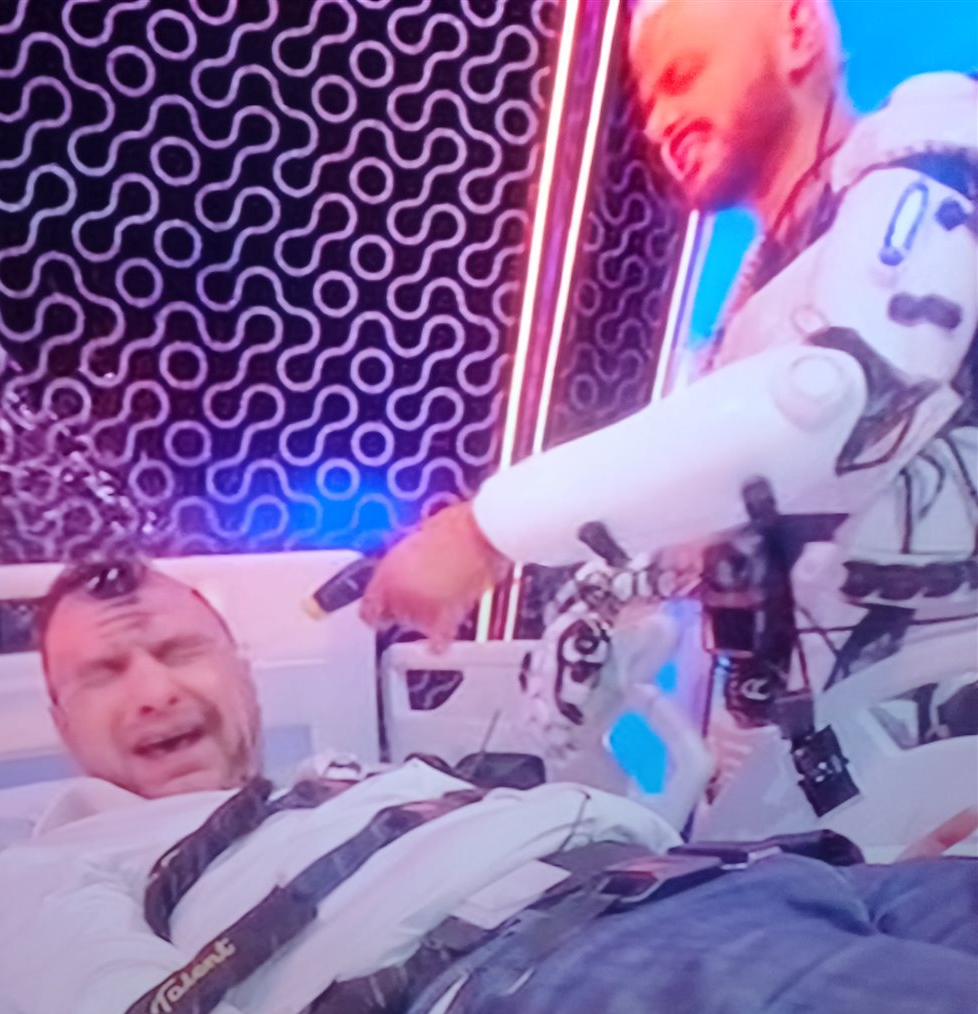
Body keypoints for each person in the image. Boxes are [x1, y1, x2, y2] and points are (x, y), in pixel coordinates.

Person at [0, 558, 978, 1014]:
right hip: (556, 964)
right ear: (60, 718)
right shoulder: (61, 859)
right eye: (105, 670)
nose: (154, 690)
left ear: (240, 671)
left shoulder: (349, 776)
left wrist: (859, 862)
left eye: (177, 649)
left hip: (768, 877)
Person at [359, 0, 977, 825]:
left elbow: (829, 401)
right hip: (810, 779)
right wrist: (594, 618)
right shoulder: (754, 315)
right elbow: (715, 519)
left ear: (798, 31)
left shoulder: (934, 149)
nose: (659, 122)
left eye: (684, 75)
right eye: (648, 103)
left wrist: (487, 531)